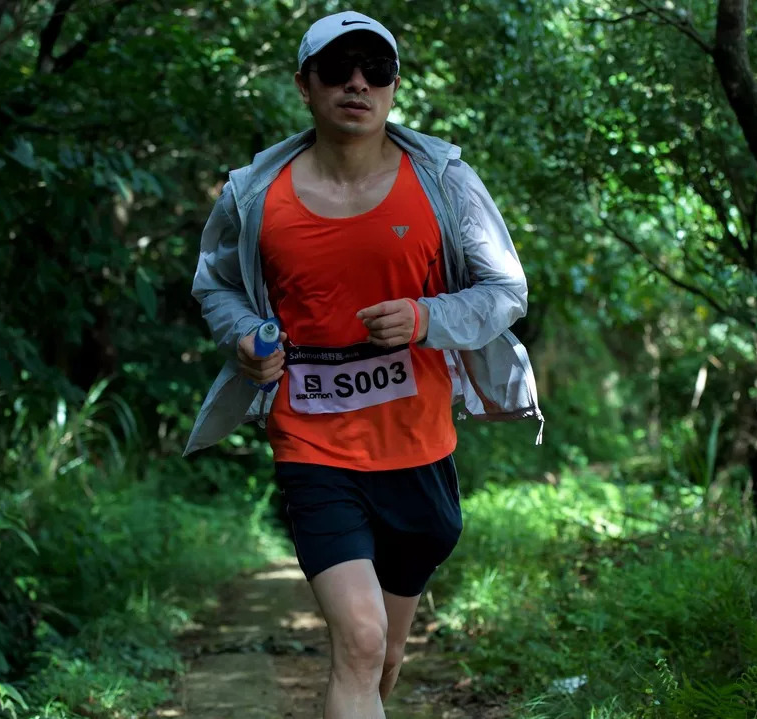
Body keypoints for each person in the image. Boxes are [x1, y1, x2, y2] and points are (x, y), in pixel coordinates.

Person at [183, 10, 542, 719]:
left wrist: (425, 317)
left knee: (384, 656)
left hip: (419, 451)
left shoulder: (443, 180)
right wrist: (248, 336)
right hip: (314, 446)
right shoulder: (255, 195)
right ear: (304, 86)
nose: (357, 83)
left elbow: (507, 290)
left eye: (375, 70)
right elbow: (213, 285)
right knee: (360, 637)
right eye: (338, 69)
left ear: (394, 87)